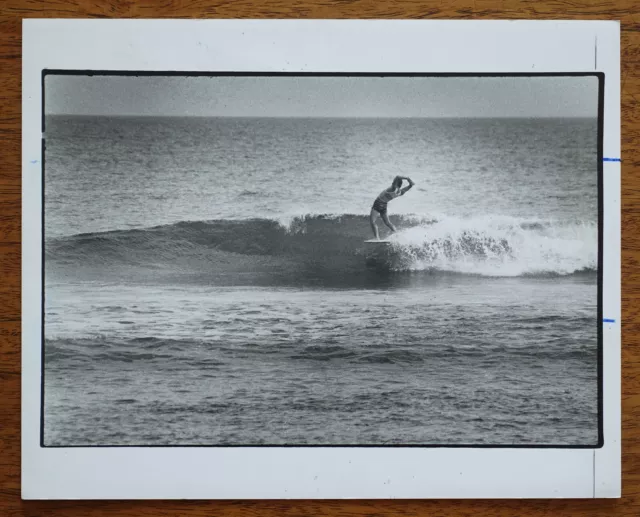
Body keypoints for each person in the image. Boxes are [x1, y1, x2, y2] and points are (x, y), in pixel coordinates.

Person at [370, 175, 415, 240]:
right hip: (384, 206)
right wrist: (410, 184)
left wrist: (407, 178)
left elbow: (397, 177)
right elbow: (409, 186)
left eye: (393, 182)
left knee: (373, 222)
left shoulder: (393, 188)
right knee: (388, 223)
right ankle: (397, 234)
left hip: (378, 204)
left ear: (395, 184)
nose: (392, 183)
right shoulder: (400, 192)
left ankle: (377, 238)